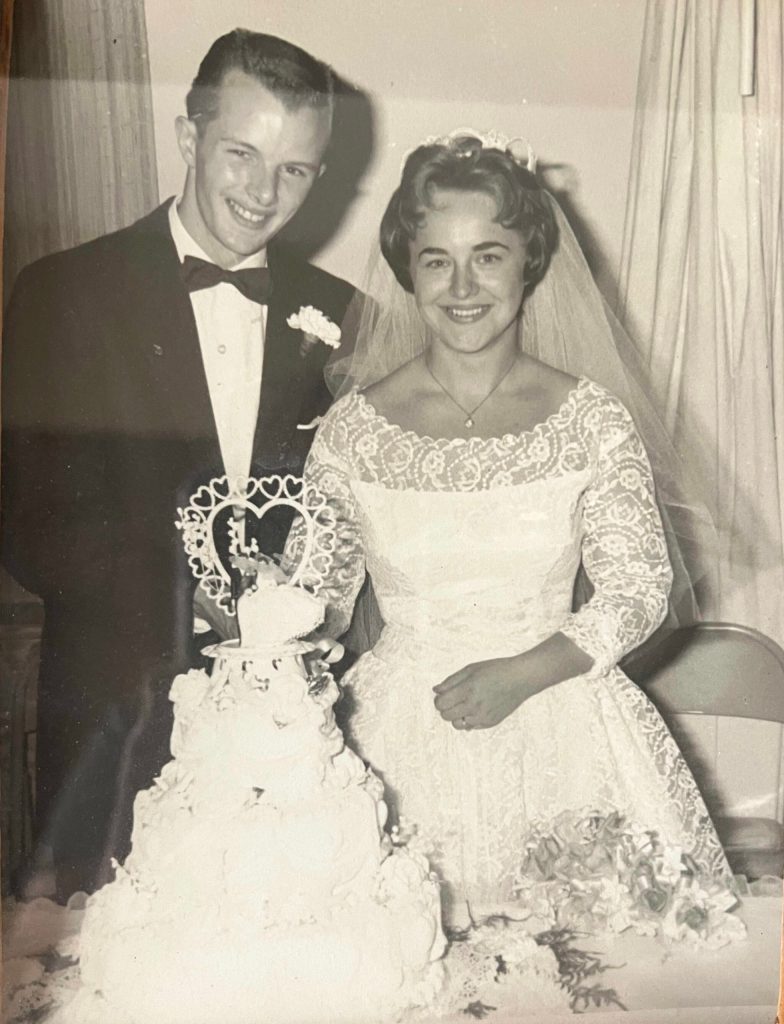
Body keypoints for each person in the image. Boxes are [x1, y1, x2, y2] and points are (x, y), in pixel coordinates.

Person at [288, 131, 738, 932]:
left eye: (488, 257)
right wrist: (267, 620)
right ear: (408, 269)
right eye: (437, 260)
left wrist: (526, 673)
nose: (463, 286)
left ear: (528, 264)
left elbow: (640, 587)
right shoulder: (352, 432)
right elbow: (315, 602)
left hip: (564, 722)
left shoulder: (592, 420)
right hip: (397, 738)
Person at [1, 29, 358, 898]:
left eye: (295, 169)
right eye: (242, 153)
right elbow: (30, 526)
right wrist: (187, 593)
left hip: (288, 737)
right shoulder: (64, 292)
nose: (264, 192)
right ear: (188, 137)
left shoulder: (342, 314)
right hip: (116, 725)